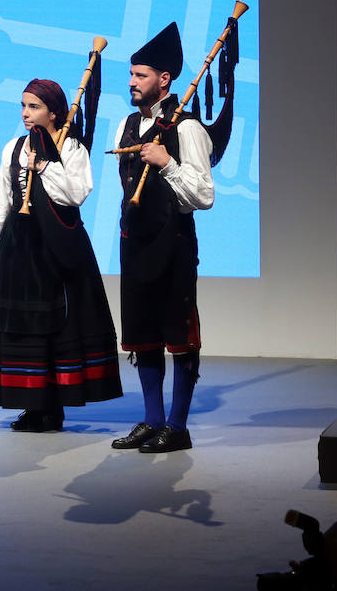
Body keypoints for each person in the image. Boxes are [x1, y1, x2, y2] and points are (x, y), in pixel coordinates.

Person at [0, 78, 122, 431]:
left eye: (34, 107)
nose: (26, 114)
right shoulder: (13, 148)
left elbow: (76, 193)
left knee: (56, 323)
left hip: (56, 246)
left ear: (54, 111)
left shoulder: (71, 148)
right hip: (19, 246)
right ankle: (31, 402)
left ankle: (53, 405)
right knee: (22, 325)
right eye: (23, 106)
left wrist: (43, 165)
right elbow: (3, 196)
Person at [110, 23, 214, 453]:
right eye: (132, 74)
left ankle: (178, 425)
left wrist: (168, 162)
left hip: (173, 244)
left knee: (177, 333)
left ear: (164, 79)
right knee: (142, 333)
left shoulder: (186, 128)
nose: (132, 82)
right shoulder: (127, 125)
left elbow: (204, 195)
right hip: (136, 244)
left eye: (140, 75)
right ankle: (152, 420)